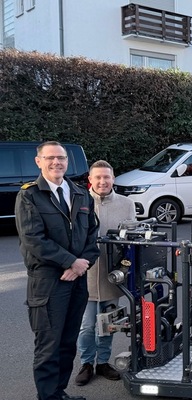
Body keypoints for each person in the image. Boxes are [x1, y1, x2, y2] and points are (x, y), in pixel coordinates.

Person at [16, 141, 100, 400]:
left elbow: (92, 235)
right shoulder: (29, 195)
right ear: (38, 162)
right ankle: (48, 397)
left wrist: (81, 264)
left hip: (76, 280)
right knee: (48, 346)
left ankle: (58, 394)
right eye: (50, 158)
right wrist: (70, 262)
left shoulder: (79, 193)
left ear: (67, 161)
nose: (56, 163)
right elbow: (33, 239)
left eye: (61, 158)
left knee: (67, 344)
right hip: (48, 282)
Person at [75, 160, 136, 386]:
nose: (102, 181)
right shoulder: (79, 201)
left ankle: (103, 362)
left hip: (113, 276)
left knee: (108, 323)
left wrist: (125, 270)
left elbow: (132, 239)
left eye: (106, 177)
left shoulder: (127, 204)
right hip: (86, 276)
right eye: (98, 177)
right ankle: (86, 363)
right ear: (90, 180)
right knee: (87, 325)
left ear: (113, 179)